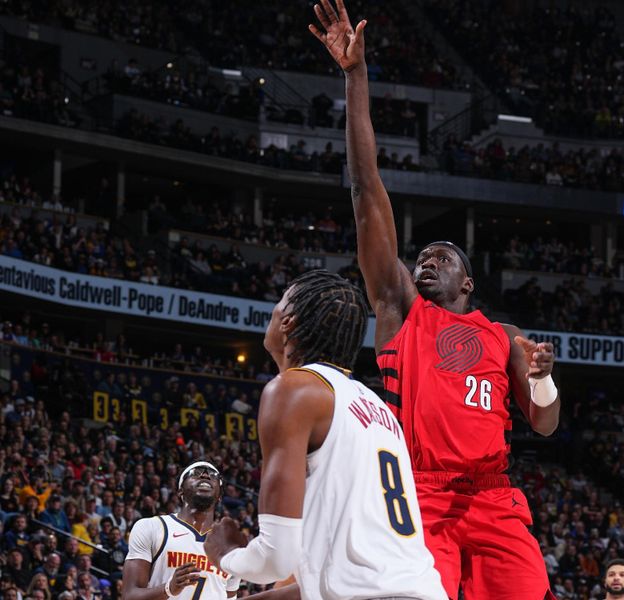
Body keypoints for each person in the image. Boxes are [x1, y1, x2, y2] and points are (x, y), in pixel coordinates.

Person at [309, 2, 560, 599]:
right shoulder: (400, 309)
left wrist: (545, 382)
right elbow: (366, 188)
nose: (427, 259)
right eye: (423, 254)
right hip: (420, 492)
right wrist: (355, 76)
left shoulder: (504, 337)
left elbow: (545, 425)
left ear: (468, 283)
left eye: (443, 257)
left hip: (494, 497)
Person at [203, 270, 446, 600]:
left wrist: (226, 553)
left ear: (287, 322)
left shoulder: (292, 389)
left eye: (280, 302)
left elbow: (276, 558)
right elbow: (338, 580)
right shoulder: (377, 408)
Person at [122, 461, 240, 600]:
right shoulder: (152, 527)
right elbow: (129, 596)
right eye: (195, 473)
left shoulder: (232, 547)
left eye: (213, 475)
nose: (205, 475)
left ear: (220, 495)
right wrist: (168, 589)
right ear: (180, 490)